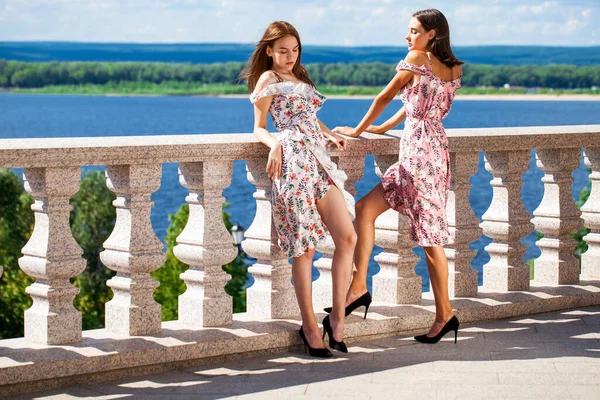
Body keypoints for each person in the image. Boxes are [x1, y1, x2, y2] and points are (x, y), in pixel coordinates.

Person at [333, 9, 463, 344]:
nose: (408, 37)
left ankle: (445, 314)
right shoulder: (453, 68)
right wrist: (383, 129)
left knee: (430, 241)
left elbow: (386, 96)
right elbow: (414, 104)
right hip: (431, 150)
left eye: (414, 30)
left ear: (432, 34)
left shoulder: (417, 58)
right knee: (365, 209)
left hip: (420, 156)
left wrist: (357, 130)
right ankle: (359, 286)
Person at [242, 21, 356, 357]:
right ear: (269, 51)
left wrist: (329, 132)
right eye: (282, 51)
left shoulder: (300, 77)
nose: (289, 56)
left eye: (294, 50)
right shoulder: (268, 80)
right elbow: (258, 128)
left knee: (347, 237)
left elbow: (308, 116)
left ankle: (336, 318)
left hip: (318, 161)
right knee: (304, 248)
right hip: (292, 163)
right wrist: (274, 145)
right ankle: (309, 326)